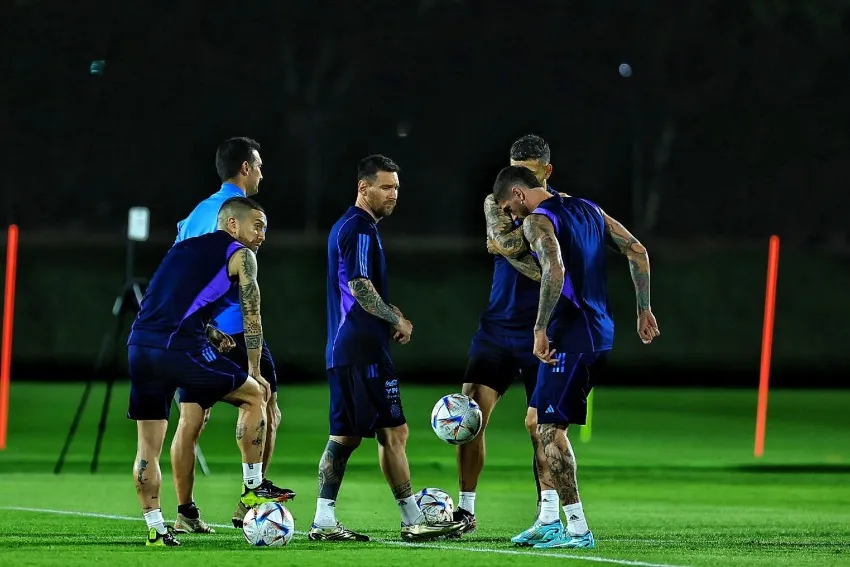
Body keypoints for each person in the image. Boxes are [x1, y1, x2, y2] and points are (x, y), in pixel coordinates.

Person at [492, 166, 660, 549]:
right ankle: (549, 519)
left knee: (552, 432)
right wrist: (643, 309)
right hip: (599, 332)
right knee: (536, 420)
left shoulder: (537, 221)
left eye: (508, 208)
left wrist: (539, 328)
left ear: (519, 194)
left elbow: (554, 269)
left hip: (572, 335)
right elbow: (636, 250)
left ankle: (578, 528)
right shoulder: (588, 209)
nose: (510, 218)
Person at [308, 154, 469, 543]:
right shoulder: (360, 228)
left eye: (396, 187)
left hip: (347, 347)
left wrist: (390, 312)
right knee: (393, 432)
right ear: (363, 188)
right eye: (386, 187)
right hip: (362, 349)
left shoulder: (349, 227)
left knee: (347, 436)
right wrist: (394, 320)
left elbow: (356, 287)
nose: (393, 194)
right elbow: (360, 286)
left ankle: (324, 519)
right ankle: (413, 519)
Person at [127, 197, 292, 547]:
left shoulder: (183, 248)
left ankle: (157, 528)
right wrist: (253, 368)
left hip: (140, 346)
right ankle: (253, 489)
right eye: (257, 226)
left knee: (147, 446)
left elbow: (165, 302)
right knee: (255, 394)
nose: (262, 235)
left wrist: (210, 332)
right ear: (233, 225)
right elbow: (252, 314)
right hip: (178, 348)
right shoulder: (242, 255)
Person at [168, 137, 293, 534]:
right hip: (232, 327)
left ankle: (185, 512)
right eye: (258, 165)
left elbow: (176, 269)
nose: (261, 172)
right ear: (244, 168)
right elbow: (242, 290)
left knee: (191, 418)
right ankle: (250, 502)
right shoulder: (233, 215)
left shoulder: (194, 215)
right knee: (264, 402)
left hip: (193, 332)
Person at [455, 134, 560, 542]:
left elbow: (508, 245)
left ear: (546, 173)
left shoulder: (561, 208)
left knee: (543, 429)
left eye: (527, 173)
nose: (515, 181)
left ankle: (548, 515)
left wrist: (506, 245)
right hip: (497, 328)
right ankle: (465, 510)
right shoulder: (493, 200)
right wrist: (512, 245)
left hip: (546, 330)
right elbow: (507, 241)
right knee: (467, 417)